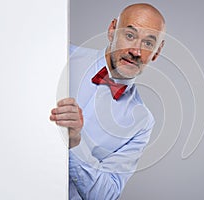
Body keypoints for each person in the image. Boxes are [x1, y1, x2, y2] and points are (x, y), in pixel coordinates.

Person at [50, 3, 165, 200]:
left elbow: (105, 195)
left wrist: (76, 143)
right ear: (112, 30)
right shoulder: (59, 56)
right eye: (130, 35)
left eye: (148, 43)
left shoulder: (142, 123)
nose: (136, 51)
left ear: (157, 51)